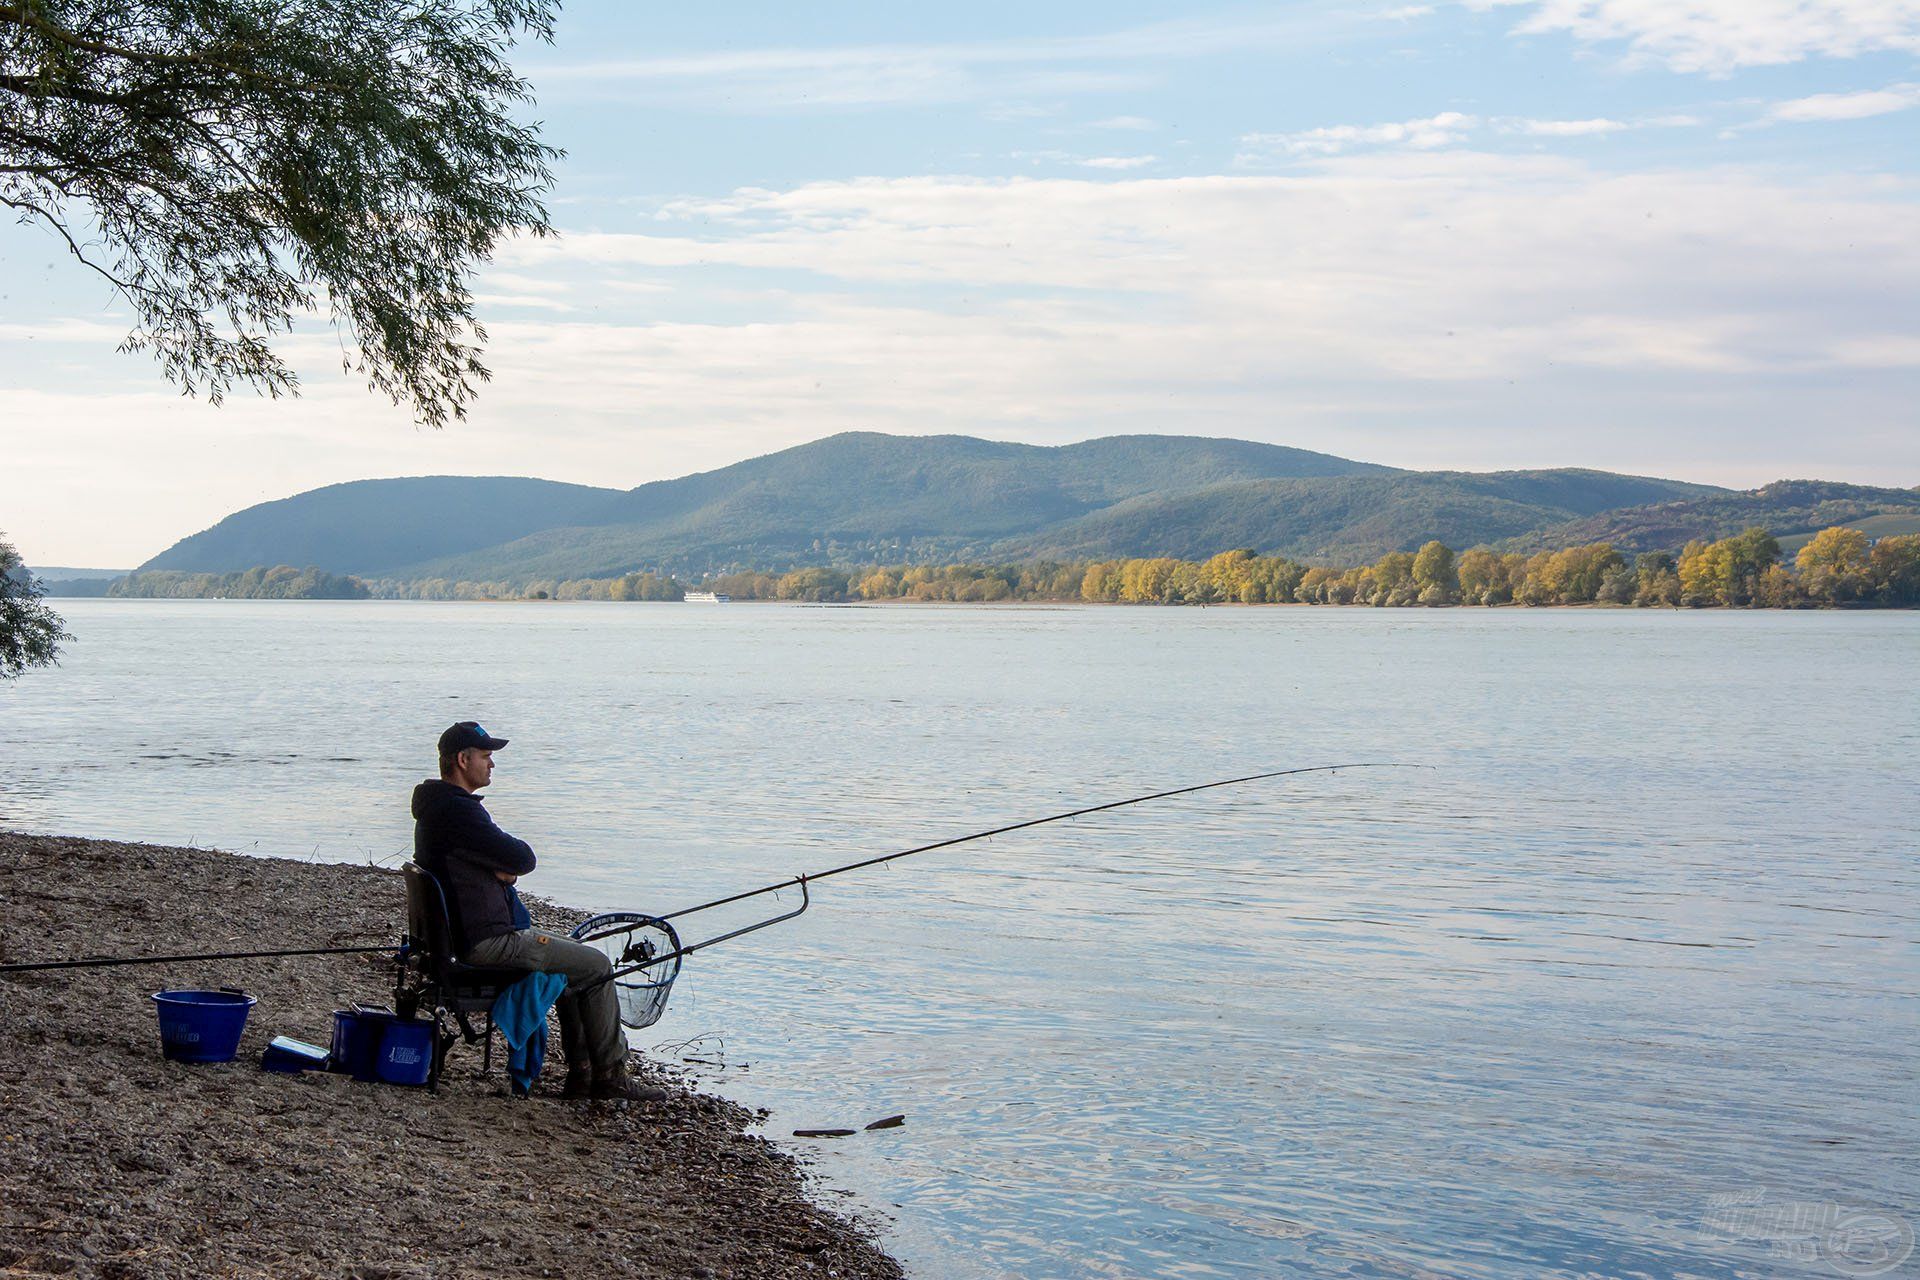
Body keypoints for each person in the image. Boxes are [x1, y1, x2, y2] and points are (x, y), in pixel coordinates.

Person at [411, 721, 664, 1101]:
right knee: (595, 965)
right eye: (485, 756)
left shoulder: (437, 809)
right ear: (462, 760)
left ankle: (581, 1076)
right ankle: (610, 1075)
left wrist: (500, 872)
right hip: (486, 941)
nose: (492, 764)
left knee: (573, 960)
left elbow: (504, 863)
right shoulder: (459, 812)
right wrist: (504, 872)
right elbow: (522, 858)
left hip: (468, 936)